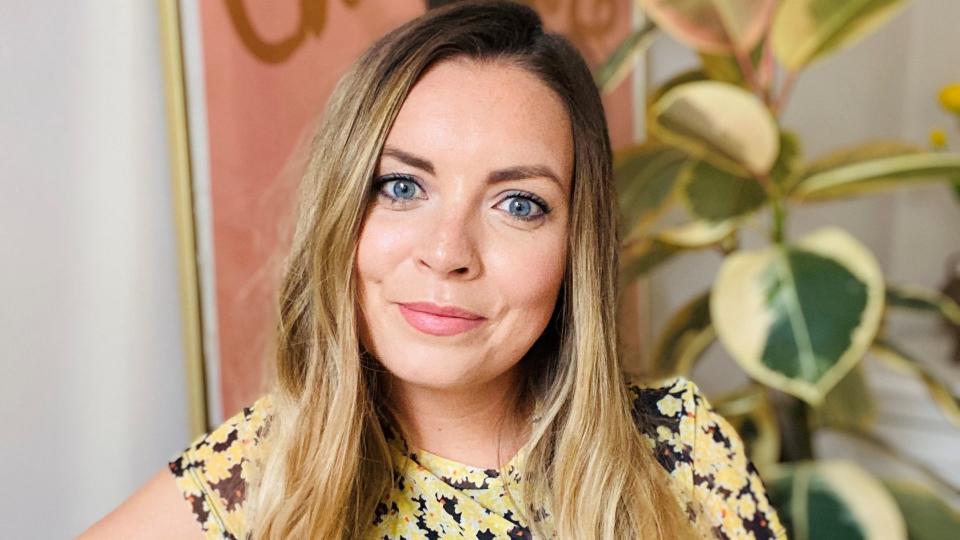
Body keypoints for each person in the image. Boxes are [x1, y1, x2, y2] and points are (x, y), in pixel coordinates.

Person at [81, 1, 785, 538]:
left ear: (577, 246)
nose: (448, 251)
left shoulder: (677, 452)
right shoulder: (260, 474)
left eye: (518, 203)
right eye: (402, 188)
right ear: (340, 211)